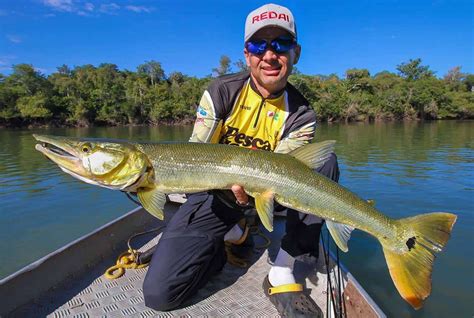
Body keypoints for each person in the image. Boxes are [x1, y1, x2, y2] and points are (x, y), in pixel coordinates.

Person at [143, 4, 339, 317]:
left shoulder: (302, 114)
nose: (270, 55)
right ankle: (231, 237)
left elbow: (282, 176)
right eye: (259, 45)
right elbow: (195, 154)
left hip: (271, 193)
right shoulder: (221, 92)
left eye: (281, 44)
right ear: (247, 54)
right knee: (160, 295)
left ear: (296, 53)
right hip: (217, 194)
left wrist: (254, 195)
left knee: (325, 165)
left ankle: (282, 270)